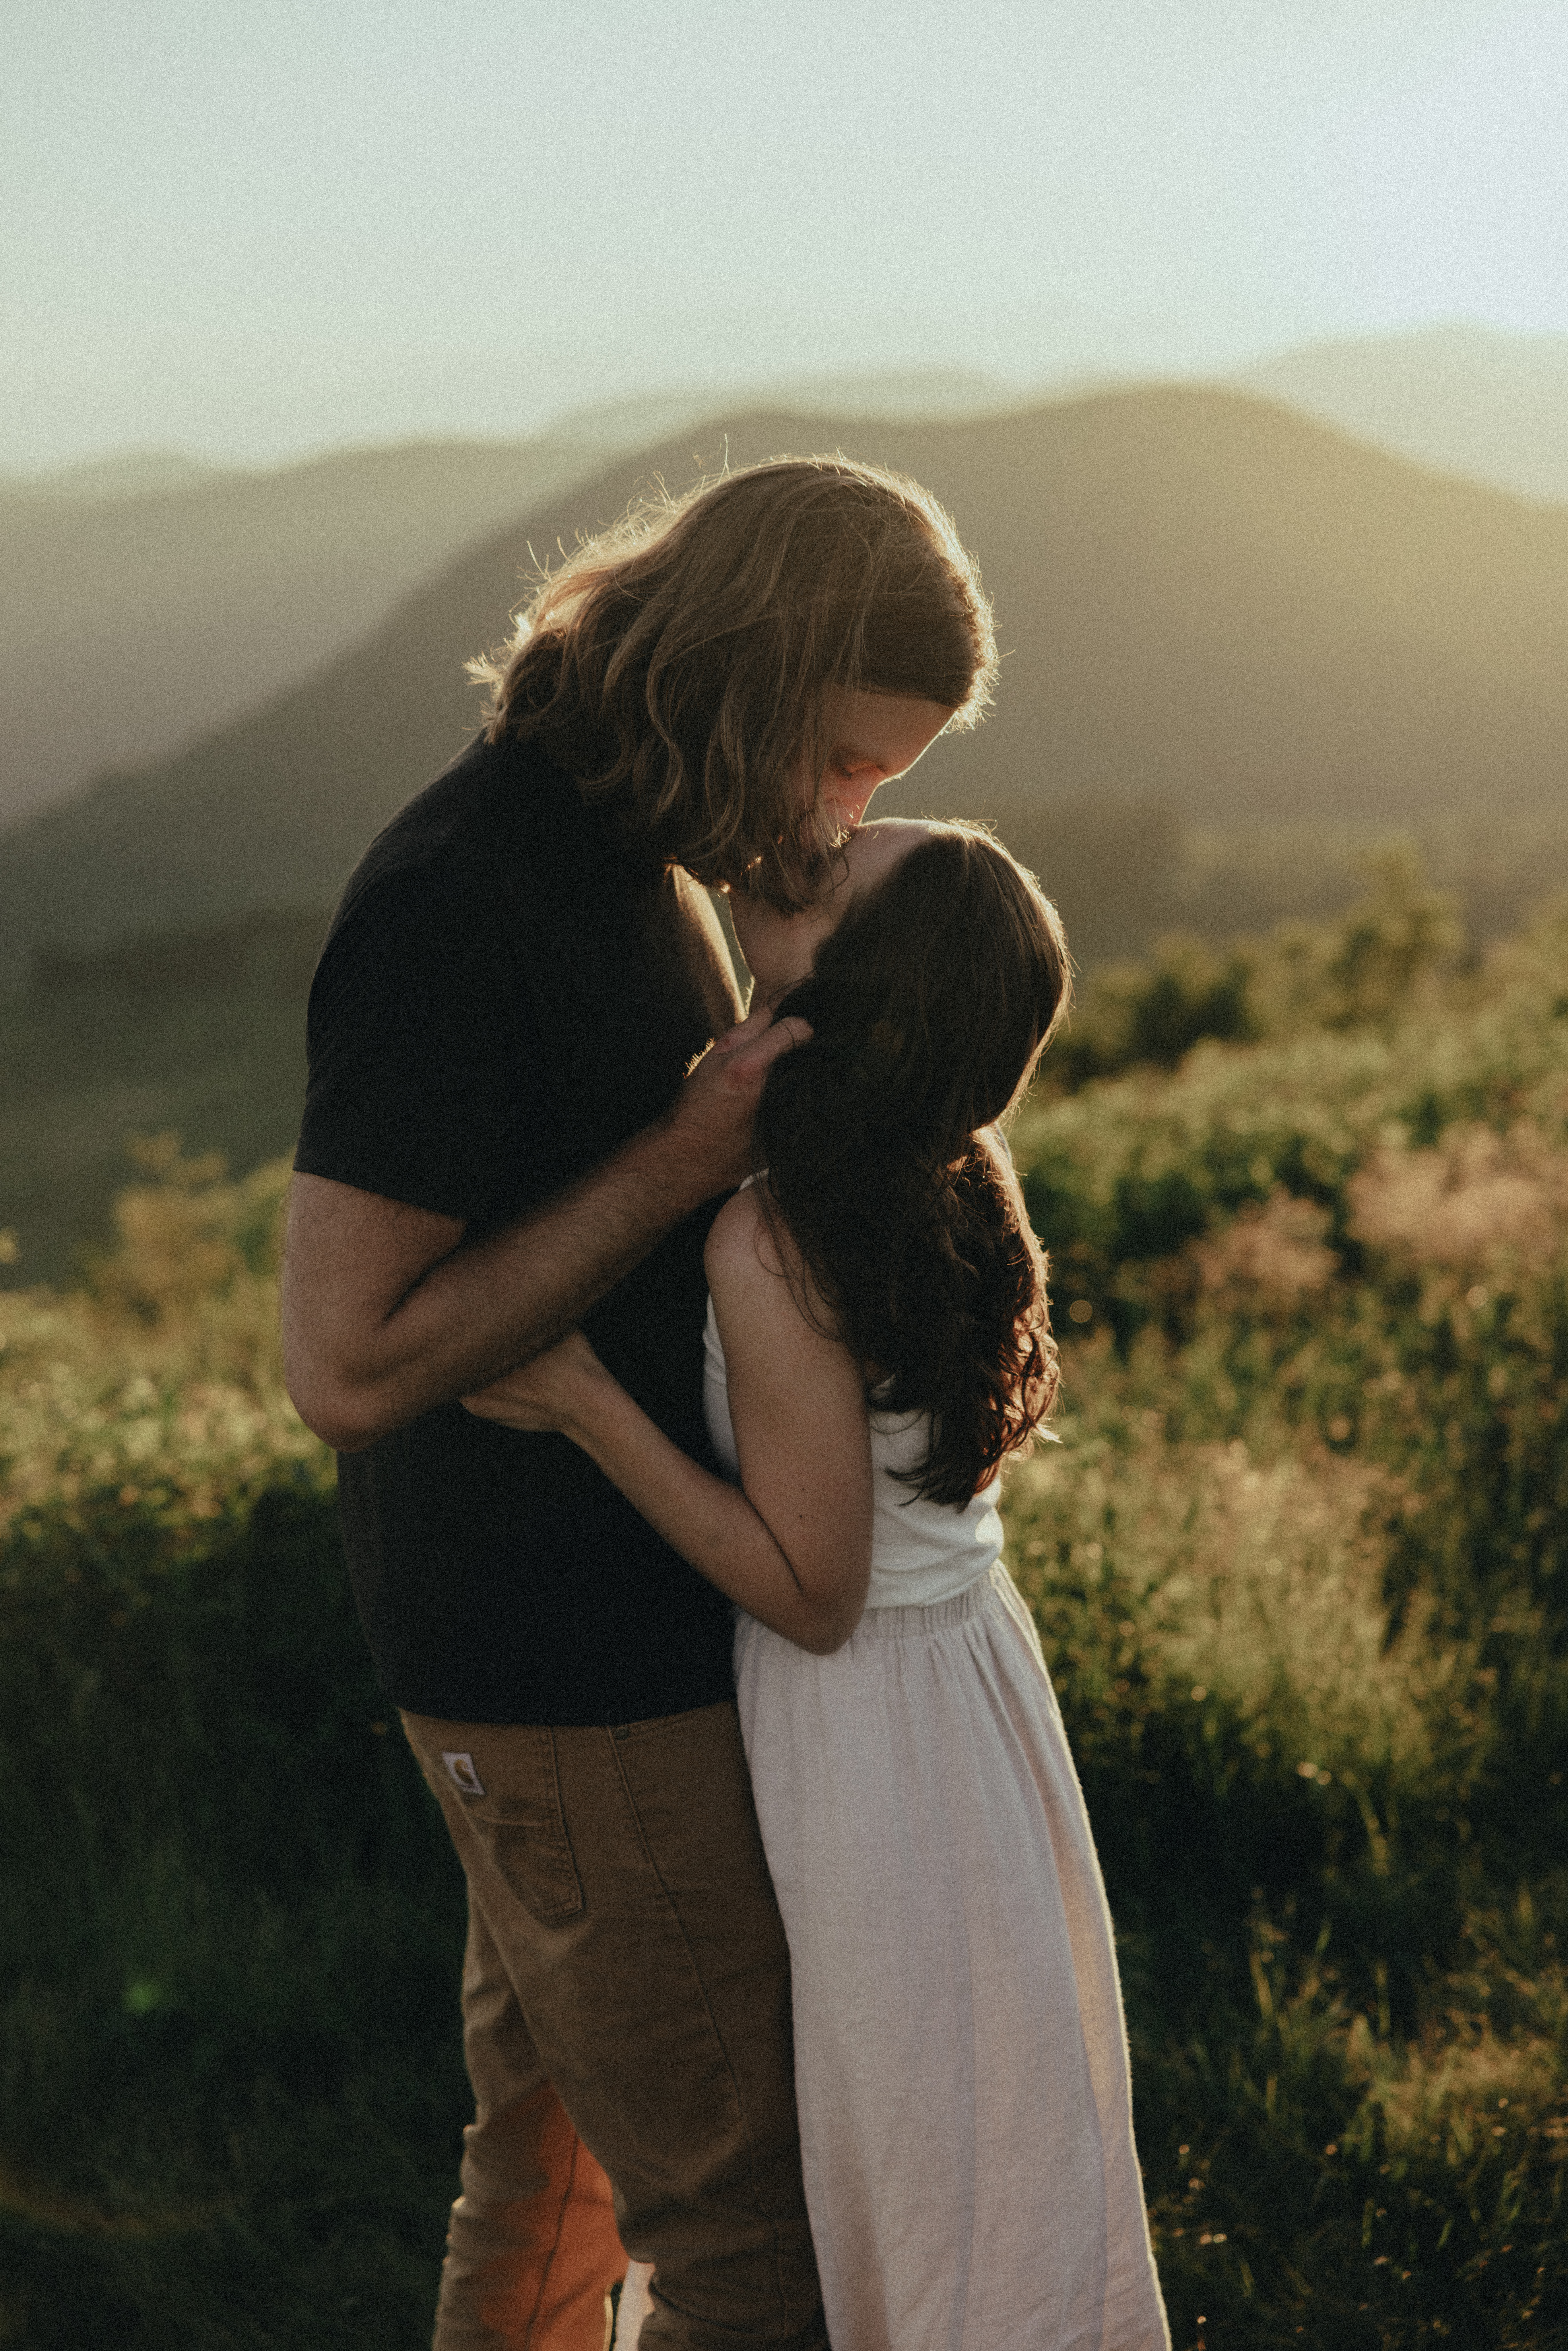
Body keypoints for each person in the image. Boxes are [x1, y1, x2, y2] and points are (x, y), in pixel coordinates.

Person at [281, 455, 996, 2350]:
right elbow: (339, 1366)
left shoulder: (638, 846)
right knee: (747, 2240)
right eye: (842, 762)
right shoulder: (459, 900)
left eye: (882, 787)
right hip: (565, 1659)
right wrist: (685, 1167)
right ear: (749, 677)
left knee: (554, 2180)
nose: (843, 814)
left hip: (597, 1640)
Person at [464, 819, 1173, 2351]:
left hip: (871, 1739)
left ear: (857, 995)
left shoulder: (772, 1237)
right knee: (986, 2132)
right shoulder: (957, 1164)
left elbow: (810, 1592)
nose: (808, 849)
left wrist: (584, 1398)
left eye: (829, 877)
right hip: (971, 1691)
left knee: (903, 2148)